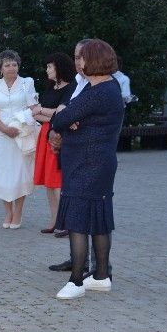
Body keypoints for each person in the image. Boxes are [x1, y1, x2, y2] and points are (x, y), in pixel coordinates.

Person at [51, 39, 125, 299]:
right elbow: (70, 118)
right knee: (99, 218)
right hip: (98, 162)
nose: (78, 62)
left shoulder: (98, 91)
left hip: (87, 163)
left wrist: (69, 118)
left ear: (92, 60)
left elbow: (61, 118)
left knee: (78, 220)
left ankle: (76, 281)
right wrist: (71, 119)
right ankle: (101, 276)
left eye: (81, 57)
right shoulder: (109, 87)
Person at [0, 50, 38, 229]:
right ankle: (7, 211)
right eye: (7, 65)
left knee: (20, 171)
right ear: (0, 68)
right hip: (1, 136)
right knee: (3, 172)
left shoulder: (27, 83)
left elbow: (33, 107)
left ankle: (18, 211)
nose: (11, 68)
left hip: (21, 135)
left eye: (14, 64)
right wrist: (4, 129)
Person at [32, 52, 77, 234]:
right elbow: (37, 115)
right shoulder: (51, 88)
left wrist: (42, 110)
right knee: (49, 182)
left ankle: (65, 221)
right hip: (45, 133)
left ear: (59, 68)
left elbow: (61, 114)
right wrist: (47, 112)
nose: (47, 70)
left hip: (58, 135)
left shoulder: (71, 88)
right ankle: (54, 219)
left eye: (50, 66)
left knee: (57, 180)